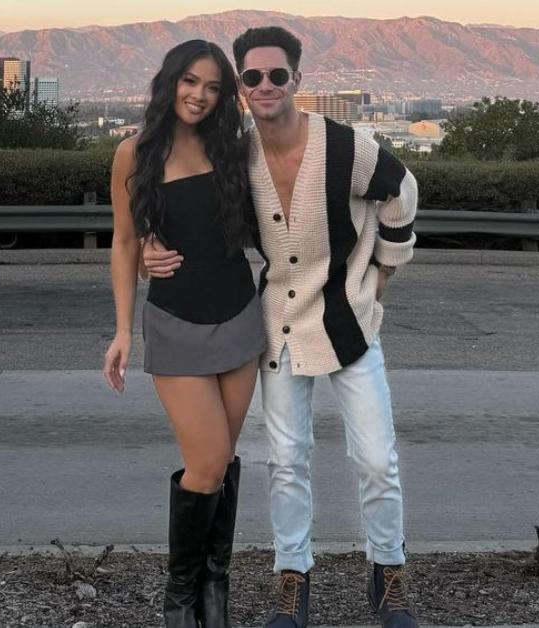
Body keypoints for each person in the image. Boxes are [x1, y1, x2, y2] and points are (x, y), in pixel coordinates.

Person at [144, 26, 421, 628]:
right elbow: (193, 214)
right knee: (286, 461)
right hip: (278, 326)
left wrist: (382, 272)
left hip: (351, 325)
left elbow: (401, 191)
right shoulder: (236, 157)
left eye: (277, 75)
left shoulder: (347, 147)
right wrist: (149, 246)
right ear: (240, 88)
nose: (265, 85)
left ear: (298, 80)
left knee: (376, 460)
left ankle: (389, 577)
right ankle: (291, 583)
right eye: (252, 76)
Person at [102, 39, 265, 628]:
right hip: (174, 324)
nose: (200, 95)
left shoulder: (235, 148)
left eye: (214, 86)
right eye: (191, 81)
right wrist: (122, 329)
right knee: (209, 459)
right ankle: (179, 598)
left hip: (242, 320)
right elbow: (123, 242)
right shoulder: (134, 152)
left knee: (220, 464)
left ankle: (212, 589)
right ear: (170, 81)